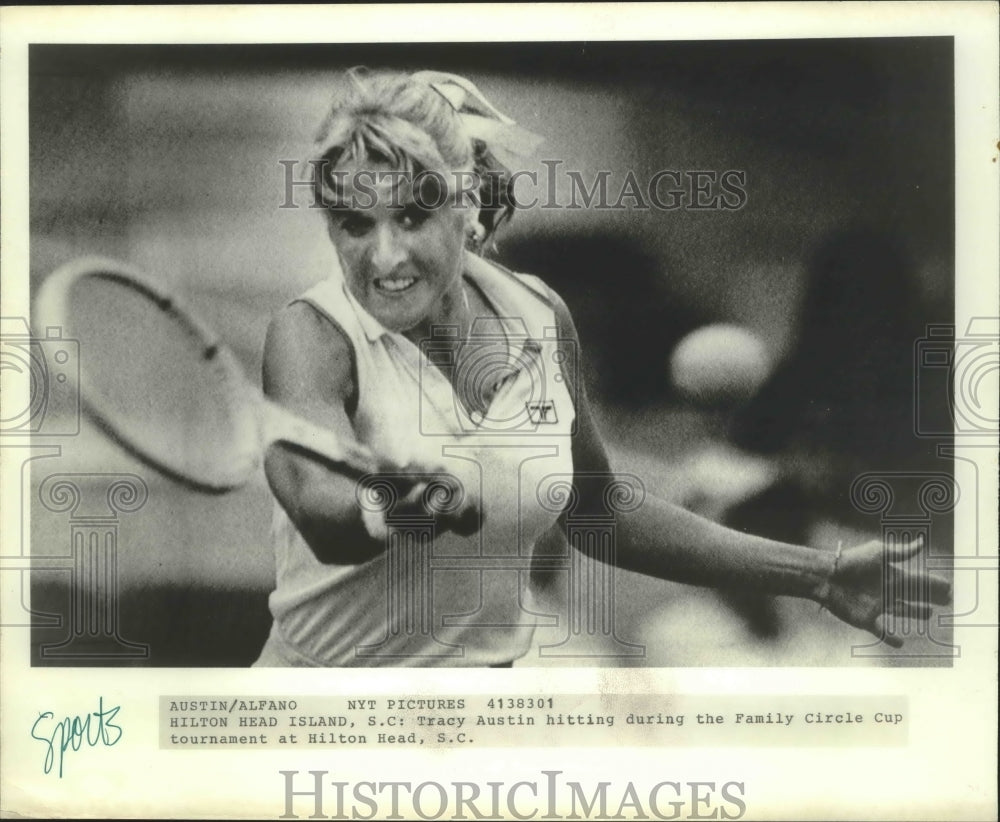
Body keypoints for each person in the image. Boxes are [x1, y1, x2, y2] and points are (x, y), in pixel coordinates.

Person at [252, 67, 949, 667]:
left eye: (411, 217)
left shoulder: (538, 314)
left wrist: (816, 573)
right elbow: (321, 509)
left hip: (476, 716)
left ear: (469, 211)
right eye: (352, 223)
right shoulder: (311, 333)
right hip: (330, 717)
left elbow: (599, 510)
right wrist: (386, 507)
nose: (383, 257)